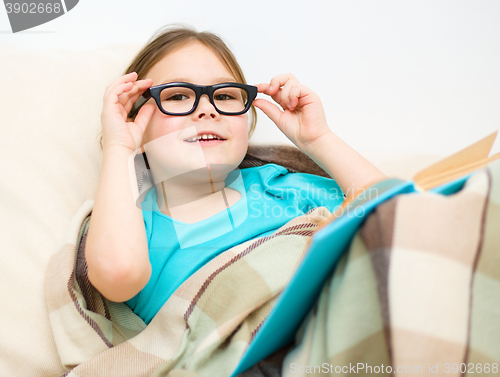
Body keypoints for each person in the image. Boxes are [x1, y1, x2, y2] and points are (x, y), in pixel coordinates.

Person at [85, 25, 386, 325]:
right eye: (177, 96)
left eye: (226, 95)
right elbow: (117, 272)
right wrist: (120, 146)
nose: (207, 110)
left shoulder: (281, 188)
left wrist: (317, 139)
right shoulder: (134, 223)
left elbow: (396, 213)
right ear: (134, 119)